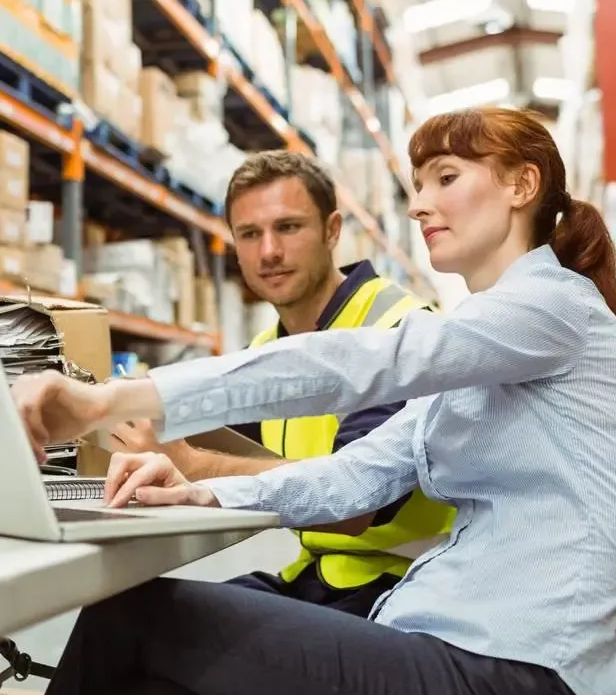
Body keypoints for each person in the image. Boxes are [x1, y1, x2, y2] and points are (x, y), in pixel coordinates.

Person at [14, 108, 616, 695]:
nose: (419, 205)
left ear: (522, 185)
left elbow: (357, 361)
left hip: (523, 669)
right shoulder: (483, 346)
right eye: (418, 186)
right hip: (448, 640)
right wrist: (199, 493)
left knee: (130, 617)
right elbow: (355, 476)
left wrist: (106, 401)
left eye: (446, 178)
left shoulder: (552, 306)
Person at [106, 150, 453, 616]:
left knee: (138, 624)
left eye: (288, 227)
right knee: (128, 611)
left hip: (403, 587)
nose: (268, 251)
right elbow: (213, 440)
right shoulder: (267, 348)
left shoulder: (398, 330)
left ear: (332, 230)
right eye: (250, 234)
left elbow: (353, 508)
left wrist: (190, 464)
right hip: (319, 576)